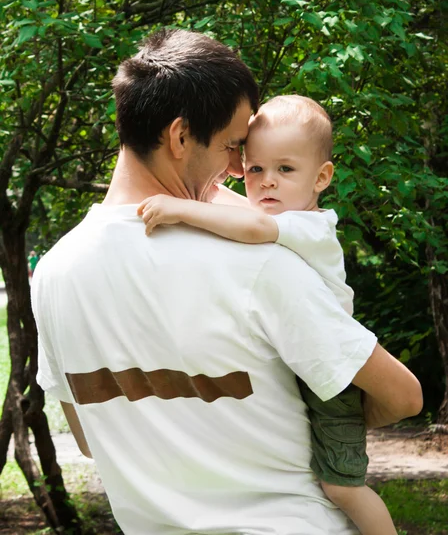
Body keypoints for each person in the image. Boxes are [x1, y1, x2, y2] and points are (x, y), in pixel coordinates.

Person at [31, 28, 423, 535]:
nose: (241, 170)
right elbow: (405, 397)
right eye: (234, 147)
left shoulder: (55, 274)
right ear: (179, 136)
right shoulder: (261, 266)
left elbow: (90, 438)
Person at [138, 94, 397, 535]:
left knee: (343, 488)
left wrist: (181, 208)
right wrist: (222, 180)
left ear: (322, 178)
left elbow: (254, 228)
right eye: (256, 169)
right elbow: (231, 204)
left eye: (286, 169)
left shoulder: (308, 225)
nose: (267, 182)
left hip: (330, 378)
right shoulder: (277, 211)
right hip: (299, 364)